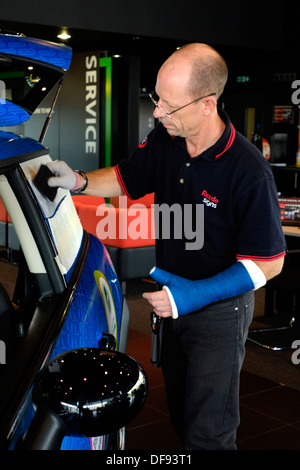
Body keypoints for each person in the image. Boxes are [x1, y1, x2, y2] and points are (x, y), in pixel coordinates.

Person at [47, 43, 285, 450]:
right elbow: (125, 178)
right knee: (179, 412)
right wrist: (79, 181)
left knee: (207, 432)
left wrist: (192, 295)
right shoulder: (166, 138)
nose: (157, 112)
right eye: (157, 99)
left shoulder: (249, 171)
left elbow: (269, 263)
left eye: (168, 106)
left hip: (218, 312)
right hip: (171, 302)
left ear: (207, 105)